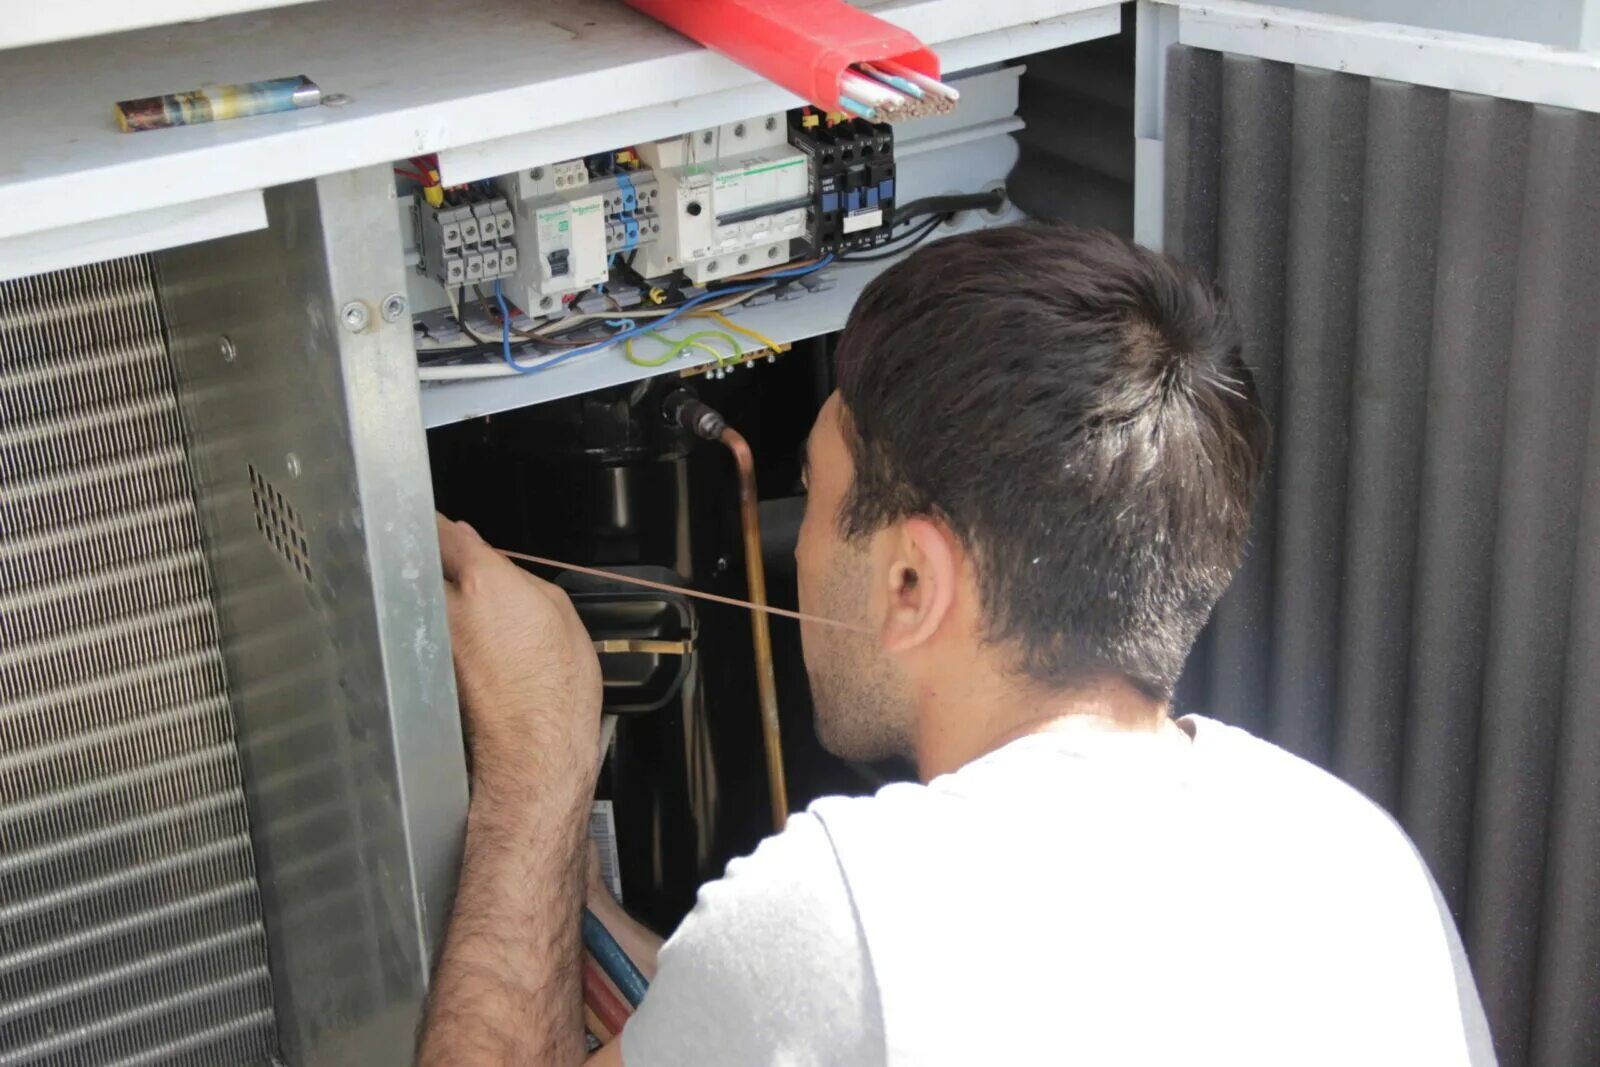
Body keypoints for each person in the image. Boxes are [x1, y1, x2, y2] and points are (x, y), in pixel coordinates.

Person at [416, 225, 1495, 1066]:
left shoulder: (846, 914)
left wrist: (538, 768)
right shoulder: (1358, 861)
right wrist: (575, 903)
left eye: (815, 492)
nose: (796, 548)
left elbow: (821, 978)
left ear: (910, 582)